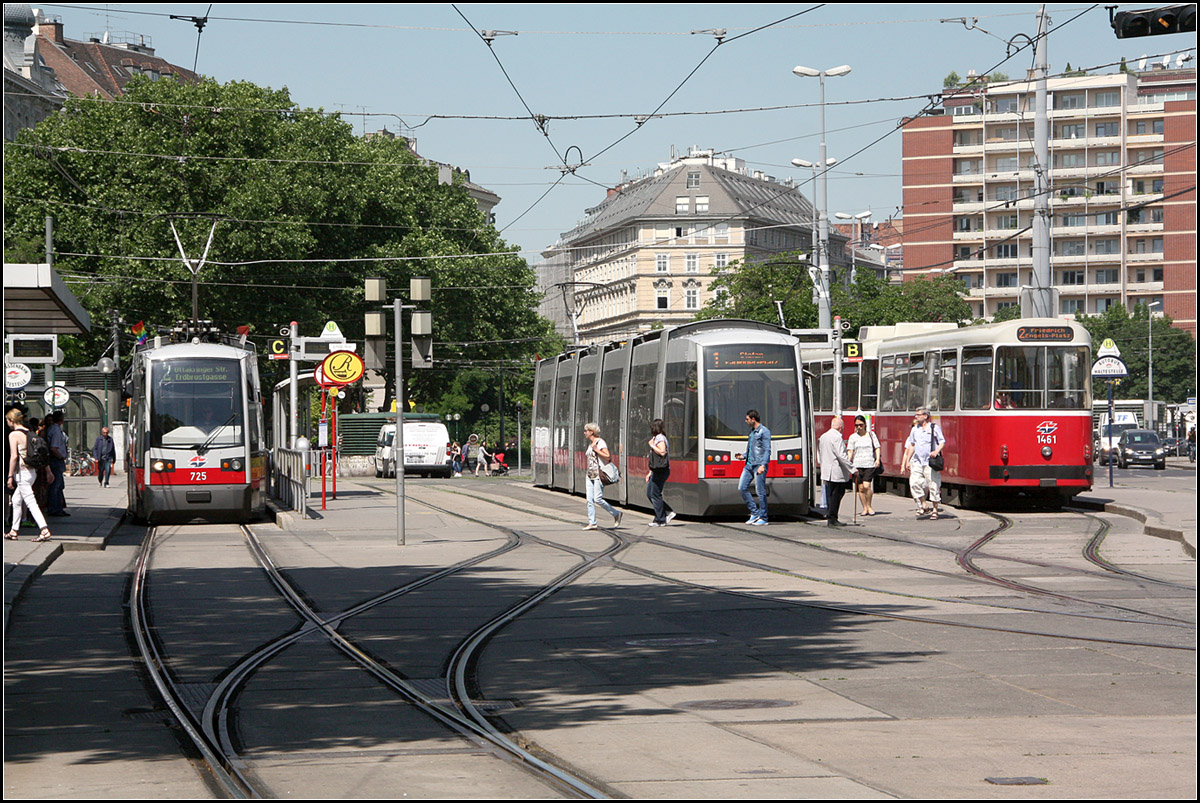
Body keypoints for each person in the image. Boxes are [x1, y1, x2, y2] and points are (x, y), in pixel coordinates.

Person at [6, 408, 51, 542]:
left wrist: (9, 476)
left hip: (22, 472)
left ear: (11, 420)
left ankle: (44, 529)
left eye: (7, 420)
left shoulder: (13, 435)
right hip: (32, 472)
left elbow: (14, 456)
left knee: (31, 502)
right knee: (16, 500)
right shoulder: (29, 432)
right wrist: (48, 470)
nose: (7, 423)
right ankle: (14, 530)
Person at [902, 406, 945, 520]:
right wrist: (907, 461)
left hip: (930, 462)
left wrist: (936, 451)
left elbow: (942, 441)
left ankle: (935, 509)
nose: (916, 416)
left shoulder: (934, 428)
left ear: (925, 416)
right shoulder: (915, 429)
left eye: (918, 414)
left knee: (933, 484)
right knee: (914, 483)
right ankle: (924, 504)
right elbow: (912, 445)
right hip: (917, 461)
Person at [734, 409, 771, 525]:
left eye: (747, 419)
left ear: (753, 419)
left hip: (759, 465)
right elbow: (751, 450)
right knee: (742, 488)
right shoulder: (752, 432)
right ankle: (755, 513)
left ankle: (763, 517)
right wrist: (743, 456)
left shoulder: (764, 432)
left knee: (760, 491)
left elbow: (767, 450)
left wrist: (763, 465)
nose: (746, 421)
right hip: (749, 465)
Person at [817, 416, 856, 527]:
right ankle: (832, 518)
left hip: (827, 471)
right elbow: (841, 455)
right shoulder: (837, 438)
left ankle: (831, 517)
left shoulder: (823, 436)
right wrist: (852, 469)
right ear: (840, 428)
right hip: (836, 471)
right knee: (837, 494)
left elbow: (820, 453)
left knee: (831, 494)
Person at [582, 422, 621, 530]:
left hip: (599, 474)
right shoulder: (591, 444)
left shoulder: (600, 442)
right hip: (590, 474)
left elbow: (608, 456)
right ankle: (592, 522)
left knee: (597, 498)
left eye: (586, 431)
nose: (584, 433)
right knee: (589, 499)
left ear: (591, 432)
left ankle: (616, 513)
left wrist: (597, 450)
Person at [846, 415, 881, 516]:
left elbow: (877, 447)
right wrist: (849, 462)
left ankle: (869, 506)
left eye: (861, 425)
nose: (859, 427)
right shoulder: (853, 437)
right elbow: (850, 451)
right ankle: (864, 508)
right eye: (857, 425)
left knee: (866, 486)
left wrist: (877, 459)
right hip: (857, 465)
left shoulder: (871, 435)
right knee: (860, 488)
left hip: (869, 464)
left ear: (865, 424)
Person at [645, 418, 676, 527]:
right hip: (656, 470)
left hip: (661, 471)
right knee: (650, 493)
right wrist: (650, 472)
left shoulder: (660, 438)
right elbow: (654, 458)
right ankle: (667, 512)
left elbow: (662, 452)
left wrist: (652, 445)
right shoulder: (657, 437)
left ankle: (660, 520)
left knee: (655, 494)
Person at [46, 410, 68, 517]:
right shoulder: (55, 430)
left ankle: (58, 507)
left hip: (56, 459)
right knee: (56, 485)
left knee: (59, 485)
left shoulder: (54, 429)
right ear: (61, 419)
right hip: (56, 460)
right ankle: (55, 508)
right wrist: (61, 456)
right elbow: (53, 447)